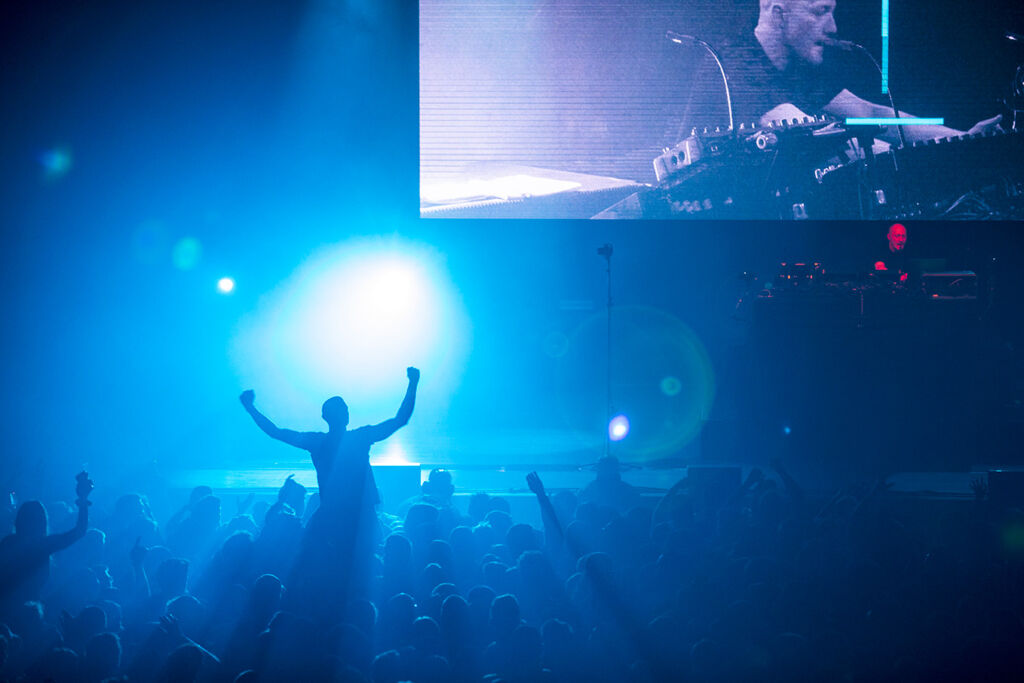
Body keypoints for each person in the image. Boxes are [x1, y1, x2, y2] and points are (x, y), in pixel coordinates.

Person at [239, 367, 420, 608]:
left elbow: (276, 433)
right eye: (343, 409)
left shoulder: (322, 441)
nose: (346, 412)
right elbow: (400, 420)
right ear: (334, 416)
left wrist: (251, 408)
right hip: (355, 516)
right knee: (364, 564)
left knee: (333, 564)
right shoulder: (356, 438)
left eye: (345, 408)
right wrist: (413, 383)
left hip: (337, 515)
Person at [717, 0, 1001, 144]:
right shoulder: (732, 63)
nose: (832, 27)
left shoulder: (801, 65)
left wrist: (963, 138)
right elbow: (808, 134)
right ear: (779, 15)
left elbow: (872, 115)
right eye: (820, 12)